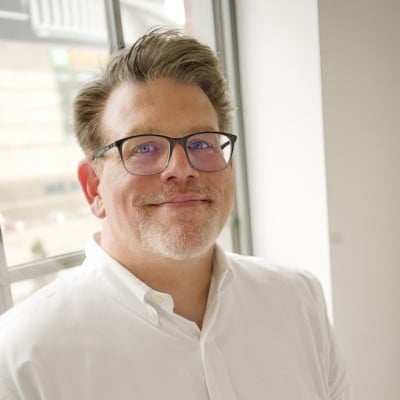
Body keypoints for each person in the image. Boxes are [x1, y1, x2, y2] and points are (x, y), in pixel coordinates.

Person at [0, 28, 350, 399]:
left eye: (202, 143)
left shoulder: (298, 299)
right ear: (94, 187)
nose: (181, 169)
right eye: (144, 148)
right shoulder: (22, 358)